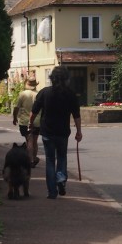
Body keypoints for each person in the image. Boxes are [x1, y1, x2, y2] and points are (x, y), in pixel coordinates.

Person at [29, 66, 82, 199]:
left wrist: (30, 123)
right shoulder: (71, 94)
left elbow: (34, 111)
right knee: (62, 157)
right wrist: (79, 131)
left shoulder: (44, 92)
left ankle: (52, 192)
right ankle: (61, 178)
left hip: (47, 132)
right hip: (63, 132)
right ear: (66, 79)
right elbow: (76, 115)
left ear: (52, 78)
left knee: (50, 160)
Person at [13, 78, 40, 164]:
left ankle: (30, 160)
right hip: (37, 121)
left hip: (25, 121)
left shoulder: (23, 94)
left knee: (29, 141)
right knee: (35, 141)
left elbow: (16, 107)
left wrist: (15, 118)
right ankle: (34, 158)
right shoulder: (38, 94)